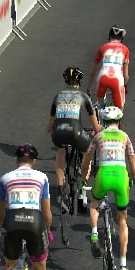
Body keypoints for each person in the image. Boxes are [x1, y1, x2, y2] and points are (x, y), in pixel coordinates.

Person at [83, 105, 135, 270]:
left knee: (94, 203)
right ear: (119, 120)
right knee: (122, 221)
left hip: (104, 175)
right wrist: (130, 180)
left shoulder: (98, 136)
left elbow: (87, 160)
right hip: (121, 177)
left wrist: (83, 179)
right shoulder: (125, 137)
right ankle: (123, 264)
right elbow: (134, 169)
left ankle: (94, 233)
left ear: (104, 121)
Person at [47, 67, 99, 211]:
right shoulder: (83, 96)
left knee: (61, 152)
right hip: (76, 132)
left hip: (58, 133)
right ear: (79, 82)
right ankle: (82, 191)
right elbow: (96, 126)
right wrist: (98, 130)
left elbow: (49, 127)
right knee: (87, 153)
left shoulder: (58, 96)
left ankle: (60, 189)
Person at [89, 26, 130, 110]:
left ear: (110, 35)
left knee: (99, 104)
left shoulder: (103, 47)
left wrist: (88, 88)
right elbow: (126, 76)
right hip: (117, 80)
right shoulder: (125, 49)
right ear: (121, 38)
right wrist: (125, 85)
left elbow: (93, 72)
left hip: (102, 77)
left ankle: (100, 107)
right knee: (119, 110)